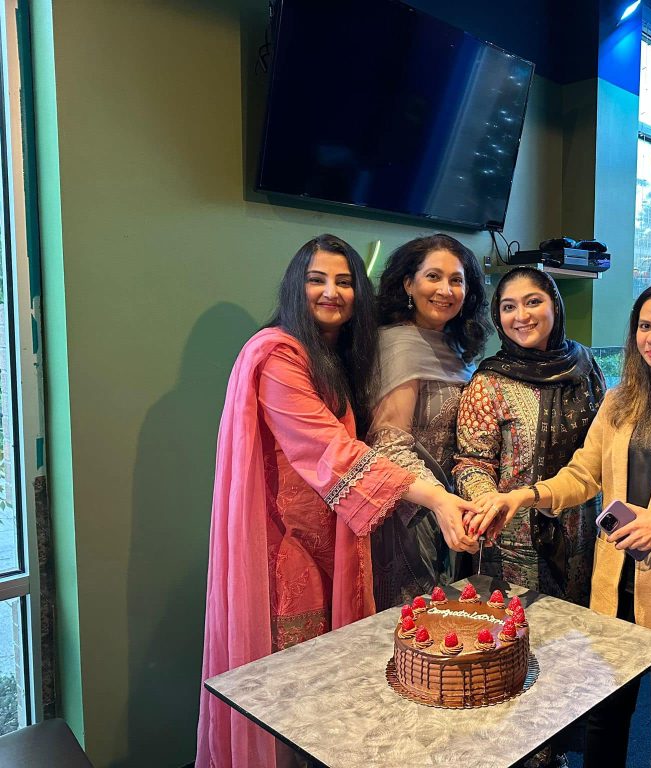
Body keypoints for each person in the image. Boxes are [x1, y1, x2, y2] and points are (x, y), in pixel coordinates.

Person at [196, 234, 478, 768]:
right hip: (288, 546)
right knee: (296, 689)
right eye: (317, 280)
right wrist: (436, 498)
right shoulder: (277, 354)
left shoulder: (333, 354)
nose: (332, 292)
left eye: (344, 281)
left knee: (338, 686)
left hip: (339, 532)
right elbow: (335, 452)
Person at [472, 279, 651, 768]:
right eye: (644, 327)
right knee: (605, 711)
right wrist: (524, 495)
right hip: (613, 581)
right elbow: (583, 475)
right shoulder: (620, 400)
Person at [453, 266, 605, 604]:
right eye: (508, 307)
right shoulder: (489, 382)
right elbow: (471, 462)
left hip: (582, 528)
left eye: (533, 302)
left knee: (578, 626)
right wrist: (487, 503)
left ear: (555, 305)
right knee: (518, 628)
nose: (521, 316)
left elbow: (602, 446)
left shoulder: (585, 366)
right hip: (514, 542)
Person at [369, 233, 491, 608]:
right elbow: (388, 447)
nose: (445, 290)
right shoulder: (397, 344)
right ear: (409, 283)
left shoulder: (454, 346)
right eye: (433, 276)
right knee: (411, 625)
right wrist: (438, 501)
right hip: (408, 514)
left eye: (456, 280)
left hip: (450, 510)